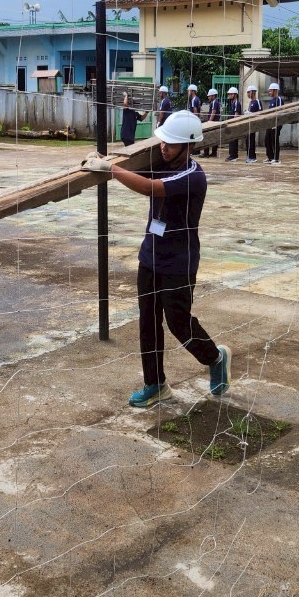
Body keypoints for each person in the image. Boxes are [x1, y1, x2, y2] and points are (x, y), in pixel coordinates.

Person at [81, 110, 230, 408]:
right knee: (147, 321)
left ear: (189, 146)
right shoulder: (160, 162)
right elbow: (135, 167)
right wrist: (107, 158)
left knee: (178, 323)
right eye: (163, 141)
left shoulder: (193, 177)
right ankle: (155, 384)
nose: (164, 147)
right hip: (150, 255)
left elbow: (151, 188)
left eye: (172, 144)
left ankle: (215, 357)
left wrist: (109, 169)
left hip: (179, 261)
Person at [264, 82, 284, 165]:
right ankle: (270, 157)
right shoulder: (272, 100)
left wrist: (276, 123)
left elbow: (279, 112)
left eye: (270, 91)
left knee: (274, 141)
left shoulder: (279, 99)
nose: (269, 92)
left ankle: (276, 158)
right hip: (270, 124)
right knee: (267, 140)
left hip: (276, 124)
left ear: (275, 91)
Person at [244, 85, 262, 163]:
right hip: (249, 124)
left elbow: (260, 112)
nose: (247, 94)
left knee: (251, 140)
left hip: (253, 124)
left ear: (252, 92)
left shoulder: (257, 101)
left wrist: (251, 114)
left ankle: (252, 157)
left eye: (248, 92)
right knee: (248, 140)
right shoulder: (251, 102)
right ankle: (249, 156)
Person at [200, 87, 220, 158]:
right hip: (214, 122)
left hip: (213, 122)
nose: (208, 97)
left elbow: (213, 112)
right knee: (214, 138)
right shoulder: (214, 102)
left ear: (213, 96)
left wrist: (209, 121)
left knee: (207, 136)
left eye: (209, 96)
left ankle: (206, 153)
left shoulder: (215, 102)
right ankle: (213, 153)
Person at [223, 86, 242, 161]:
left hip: (234, 125)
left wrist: (232, 124)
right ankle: (233, 155)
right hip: (231, 124)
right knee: (231, 140)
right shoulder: (233, 103)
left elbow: (236, 115)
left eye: (230, 94)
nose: (229, 95)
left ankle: (233, 156)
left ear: (234, 94)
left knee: (233, 140)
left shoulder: (237, 103)